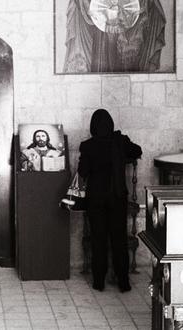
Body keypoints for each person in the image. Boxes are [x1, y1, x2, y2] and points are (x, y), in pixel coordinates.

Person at [78, 109, 141, 292]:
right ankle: (123, 282)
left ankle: (99, 282)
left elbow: (83, 172)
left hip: (96, 199)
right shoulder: (120, 142)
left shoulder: (88, 146)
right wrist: (121, 139)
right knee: (119, 240)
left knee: (99, 240)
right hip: (117, 197)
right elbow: (137, 151)